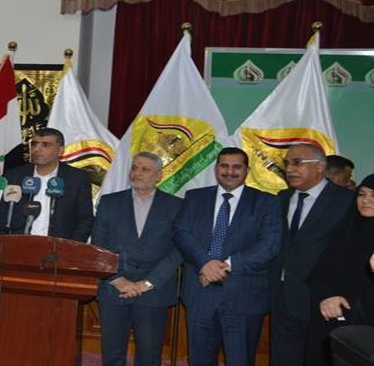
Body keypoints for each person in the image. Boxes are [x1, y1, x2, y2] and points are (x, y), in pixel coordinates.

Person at [173, 147, 281, 366]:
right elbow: (181, 233)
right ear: (216, 168)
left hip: (243, 296)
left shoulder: (267, 202)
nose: (229, 172)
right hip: (200, 293)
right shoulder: (195, 197)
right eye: (224, 166)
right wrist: (205, 263)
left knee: (240, 360)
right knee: (199, 360)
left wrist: (225, 266)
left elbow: (269, 245)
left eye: (236, 167)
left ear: (247, 170)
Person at [92, 152, 183, 366]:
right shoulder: (110, 202)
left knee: (149, 355)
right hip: (114, 288)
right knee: (112, 353)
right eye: (134, 168)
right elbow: (98, 245)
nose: (137, 173)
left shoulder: (176, 206)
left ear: (159, 175)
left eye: (145, 169)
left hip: (153, 291)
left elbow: (178, 250)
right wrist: (117, 279)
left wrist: (148, 283)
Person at [269, 144, 354, 366]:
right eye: (287, 163)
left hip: (322, 297)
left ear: (320, 166)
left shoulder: (346, 201)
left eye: (297, 163)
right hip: (282, 293)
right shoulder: (282, 197)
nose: (290, 169)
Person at [305, 173, 374, 366]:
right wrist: (327, 295)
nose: (366, 200)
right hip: (333, 315)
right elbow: (320, 270)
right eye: (362, 194)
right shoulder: (347, 228)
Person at [0, 127, 93, 242]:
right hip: (18, 245)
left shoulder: (77, 178)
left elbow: (85, 219)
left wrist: (72, 246)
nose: (37, 149)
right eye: (34, 144)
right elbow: (2, 213)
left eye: (46, 145)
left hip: (60, 247)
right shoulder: (14, 175)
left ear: (60, 150)